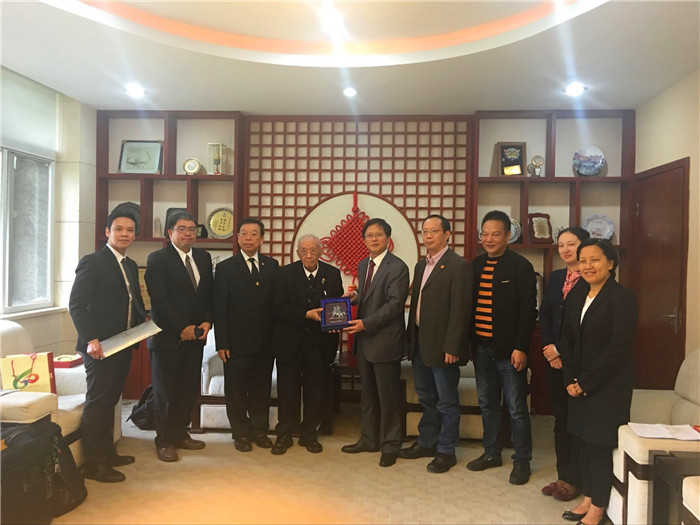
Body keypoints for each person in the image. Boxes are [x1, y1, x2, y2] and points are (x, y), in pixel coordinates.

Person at [558, 239, 637, 525]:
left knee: (599, 445)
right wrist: (570, 378)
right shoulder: (577, 295)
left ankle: (599, 508)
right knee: (582, 441)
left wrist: (586, 382)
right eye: (583, 261)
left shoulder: (622, 297)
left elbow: (618, 347)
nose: (588, 266)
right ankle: (589, 497)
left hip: (608, 386)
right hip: (577, 382)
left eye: (595, 260)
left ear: (610, 263)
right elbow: (566, 338)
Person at [69, 203, 146, 483]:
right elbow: (76, 305)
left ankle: (108, 453)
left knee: (112, 400)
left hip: (122, 344)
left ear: (135, 234)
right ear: (107, 232)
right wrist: (91, 339)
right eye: (118, 229)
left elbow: (132, 302)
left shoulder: (129, 264)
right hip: (99, 347)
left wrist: (144, 327)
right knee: (99, 403)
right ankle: (95, 464)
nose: (124, 234)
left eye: (130, 230)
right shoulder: (93, 261)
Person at [467, 210, 537, 485]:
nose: (489, 239)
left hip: (509, 352)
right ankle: (491, 453)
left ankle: (522, 461)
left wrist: (521, 347)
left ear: (508, 235)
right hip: (481, 349)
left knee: (516, 408)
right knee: (487, 405)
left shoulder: (521, 267)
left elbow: (528, 311)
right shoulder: (476, 265)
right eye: (484, 234)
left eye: (495, 234)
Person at [399, 214, 473, 473]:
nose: (428, 236)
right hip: (420, 343)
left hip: (443, 346)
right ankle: (427, 442)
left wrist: (453, 346)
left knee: (446, 401)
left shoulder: (458, 266)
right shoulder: (421, 265)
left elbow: (460, 311)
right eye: (425, 231)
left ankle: (446, 450)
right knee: (427, 398)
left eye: (434, 231)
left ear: (447, 234)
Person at [145, 211, 213, 462]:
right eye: (182, 229)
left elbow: (209, 293)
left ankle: (180, 434)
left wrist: (208, 321)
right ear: (170, 233)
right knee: (166, 391)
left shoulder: (203, 258)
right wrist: (181, 328)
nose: (188, 233)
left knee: (187, 388)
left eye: (192, 229)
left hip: (196, 336)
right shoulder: (158, 259)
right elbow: (159, 300)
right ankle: (163, 440)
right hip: (167, 338)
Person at [341, 218, 409, 468]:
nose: (373, 239)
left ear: (388, 238)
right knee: (368, 394)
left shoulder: (398, 267)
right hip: (365, 341)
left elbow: (394, 304)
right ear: (364, 240)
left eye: (378, 235)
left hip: (385, 341)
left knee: (388, 396)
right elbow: (369, 295)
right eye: (369, 235)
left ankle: (390, 445)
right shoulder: (363, 264)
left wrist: (365, 324)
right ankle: (369, 439)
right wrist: (354, 296)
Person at [270, 234, 344, 455]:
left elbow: (336, 306)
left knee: (315, 391)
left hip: (319, 344)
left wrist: (336, 322)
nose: (309, 255)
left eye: (313, 250)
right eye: (304, 250)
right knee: (287, 391)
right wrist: (305, 314)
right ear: (298, 253)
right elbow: (278, 307)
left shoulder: (332, 274)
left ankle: (309, 434)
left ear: (320, 252)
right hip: (289, 343)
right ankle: (284, 434)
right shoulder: (284, 274)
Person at [213, 217, 279, 452]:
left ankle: (259, 431)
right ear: (238, 238)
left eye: (253, 234)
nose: (248, 238)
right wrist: (221, 342)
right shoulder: (225, 268)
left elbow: (276, 305)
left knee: (261, 390)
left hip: (265, 342)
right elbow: (219, 308)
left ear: (262, 238)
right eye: (244, 233)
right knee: (237, 391)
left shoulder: (272, 266)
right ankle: (240, 433)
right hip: (235, 343)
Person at [539, 227, 590, 500]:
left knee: (576, 420)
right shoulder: (557, 277)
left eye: (572, 244)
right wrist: (550, 348)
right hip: (553, 359)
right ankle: (563, 476)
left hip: (578, 361)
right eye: (561, 245)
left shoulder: (591, 279)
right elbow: (546, 313)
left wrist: (560, 350)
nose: (566, 249)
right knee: (560, 418)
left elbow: (583, 325)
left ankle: (576, 480)